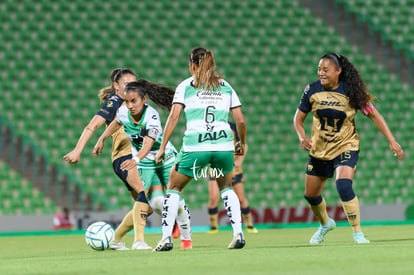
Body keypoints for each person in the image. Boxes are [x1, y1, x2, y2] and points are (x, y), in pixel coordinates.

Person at [293, 53, 404, 245]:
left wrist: (392, 141)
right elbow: (298, 119)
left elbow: (374, 115)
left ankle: (357, 233)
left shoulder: (351, 92)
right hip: (320, 149)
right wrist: (302, 137)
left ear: (338, 71)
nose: (321, 73)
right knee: (310, 195)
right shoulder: (311, 89)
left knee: (343, 184)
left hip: (346, 145)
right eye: (319, 69)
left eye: (325, 70)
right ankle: (325, 223)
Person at [153, 47, 247, 251]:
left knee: (174, 187)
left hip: (196, 145)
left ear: (192, 65)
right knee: (227, 187)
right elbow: (240, 121)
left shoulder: (186, 86)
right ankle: (238, 233)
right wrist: (242, 142)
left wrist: (161, 148)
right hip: (223, 145)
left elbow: (174, 117)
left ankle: (166, 238)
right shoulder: (225, 86)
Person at [93, 80, 192, 249]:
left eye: (134, 101)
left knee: (175, 198)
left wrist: (135, 159)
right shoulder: (124, 111)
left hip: (164, 156)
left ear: (144, 99)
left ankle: (186, 240)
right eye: (127, 101)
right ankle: (137, 240)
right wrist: (101, 138)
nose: (130, 105)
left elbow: (148, 144)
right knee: (148, 200)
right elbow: (117, 122)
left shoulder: (151, 116)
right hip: (145, 161)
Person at [63, 68, 152, 250]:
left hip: (135, 155)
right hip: (125, 156)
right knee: (143, 193)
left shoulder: (132, 102)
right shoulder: (114, 102)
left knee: (146, 207)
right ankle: (139, 241)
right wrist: (77, 150)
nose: (131, 87)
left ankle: (116, 239)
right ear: (116, 86)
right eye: (127, 84)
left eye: (134, 83)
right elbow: (92, 125)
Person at [207, 121, 258, 234]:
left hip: (233, 169)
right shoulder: (209, 127)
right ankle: (213, 227)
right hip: (216, 169)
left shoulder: (233, 127)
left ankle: (249, 225)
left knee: (241, 198)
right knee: (213, 198)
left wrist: (239, 160)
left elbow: (243, 144)